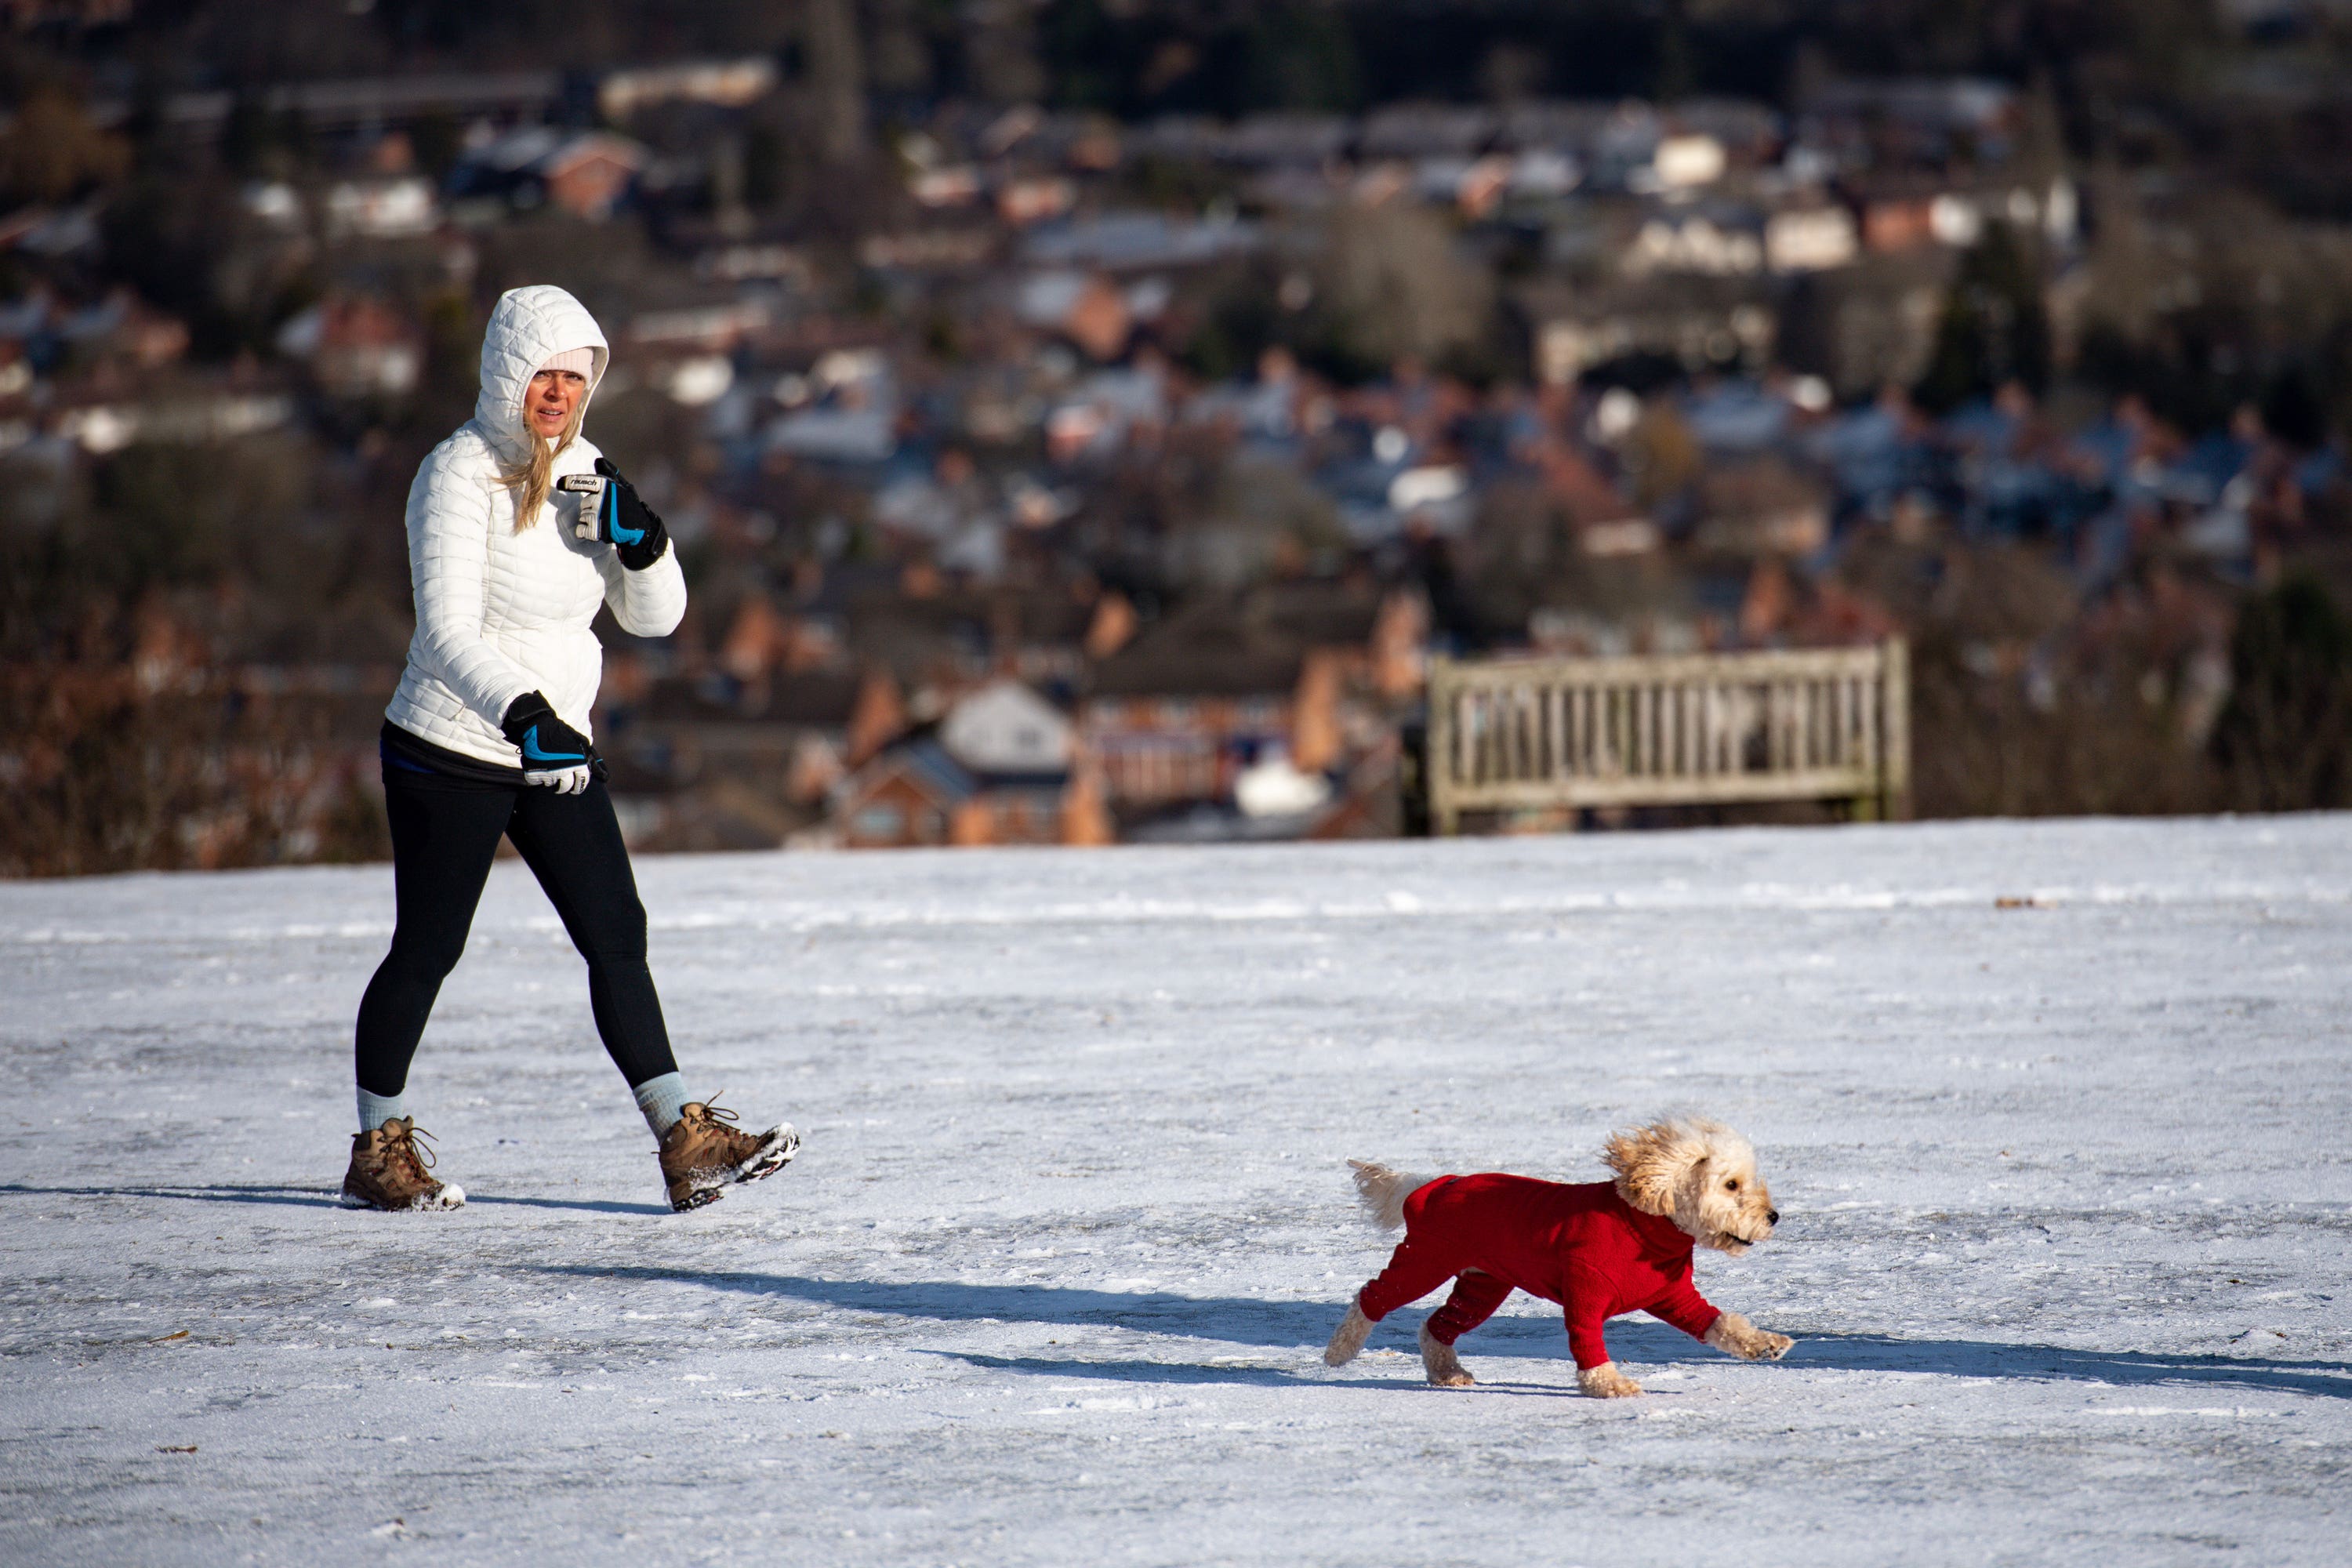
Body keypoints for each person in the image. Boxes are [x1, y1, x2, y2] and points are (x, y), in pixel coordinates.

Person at [343, 283, 797, 1214]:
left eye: (574, 377)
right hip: (451, 742)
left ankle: (685, 1140)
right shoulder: (455, 475)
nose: (557, 393)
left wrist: (646, 545)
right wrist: (523, 713)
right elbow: (444, 630)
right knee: (429, 946)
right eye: (542, 374)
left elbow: (656, 621)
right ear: (508, 373)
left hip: (557, 752)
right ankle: (377, 1151)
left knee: (616, 931)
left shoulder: (587, 470)